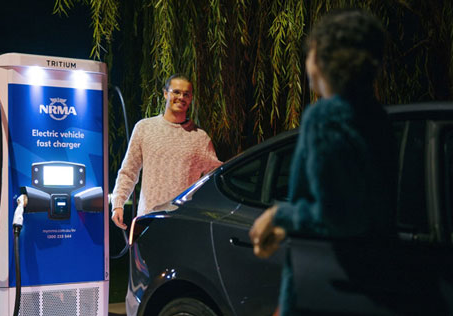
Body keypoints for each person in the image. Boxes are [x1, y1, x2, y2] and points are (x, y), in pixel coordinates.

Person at [249, 9, 398, 315]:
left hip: (326, 285)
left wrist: (279, 215)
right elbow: (361, 209)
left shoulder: (325, 118)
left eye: (310, 52)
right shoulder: (378, 118)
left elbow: (339, 216)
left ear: (322, 60)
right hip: (377, 284)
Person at [111, 74, 222, 229]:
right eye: (176, 92)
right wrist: (118, 204)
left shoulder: (200, 138)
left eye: (186, 94)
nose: (181, 97)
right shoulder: (144, 128)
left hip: (185, 223)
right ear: (165, 93)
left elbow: (216, 177)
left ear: (191, 99)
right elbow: (129, 171)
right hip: (148, 220)